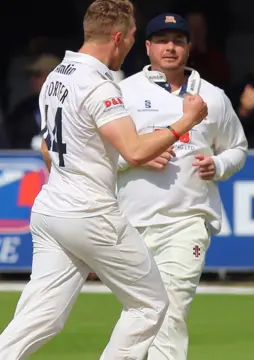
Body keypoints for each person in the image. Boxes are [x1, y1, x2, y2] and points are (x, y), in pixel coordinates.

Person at [0, 1, 209, 359]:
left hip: (51, 209)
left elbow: (48, 151)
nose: (130, 45)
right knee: (150, 304)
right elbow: (135, 152)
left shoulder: (57, 75)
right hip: (90, 212)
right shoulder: (100, 86)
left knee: (40, 318)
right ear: (117, 37)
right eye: (130, 37)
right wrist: (185, 121)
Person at [116, 13, 247, 360]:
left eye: (177, 41)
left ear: (189, 47)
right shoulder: (124, 93)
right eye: (161, 40)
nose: (170, 48)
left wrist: (218, 164)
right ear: (147, 47)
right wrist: (137, 156)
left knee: (171, 309)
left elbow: (238, 149)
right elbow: (98, 156)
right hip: (133, 223)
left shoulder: (213, 97)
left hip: (188, 222)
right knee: (139, 316)